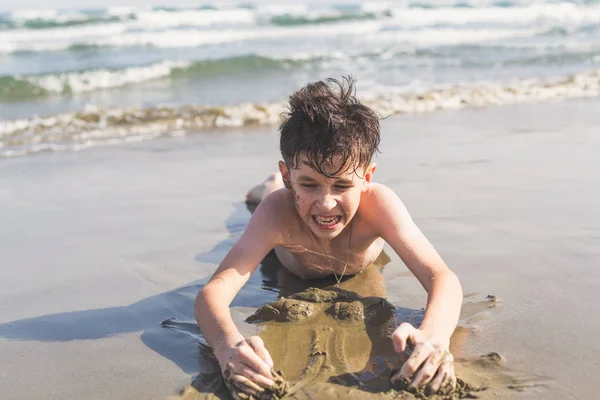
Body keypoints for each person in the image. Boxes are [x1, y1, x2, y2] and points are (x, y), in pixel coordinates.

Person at [195, 76, 463, 395]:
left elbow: (442, 277)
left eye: (342, 186)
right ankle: (267, 184)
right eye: (308, 184)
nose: (326, 203)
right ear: (289, 176)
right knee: (264, 198)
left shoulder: (378, 204)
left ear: (366, 178)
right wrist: (229, 348)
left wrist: (434, 334)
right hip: (279, 228)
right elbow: (211, 294)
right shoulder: (276, 213)